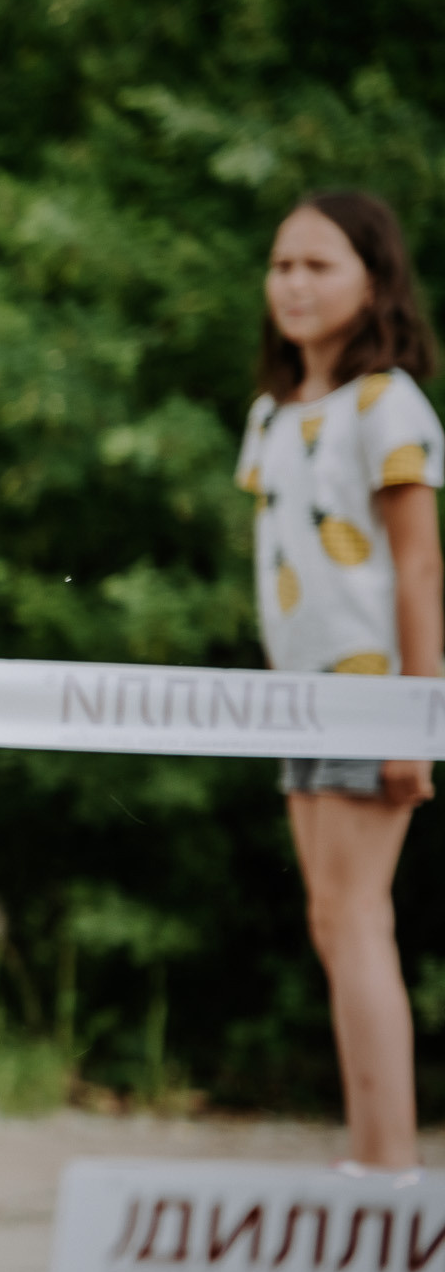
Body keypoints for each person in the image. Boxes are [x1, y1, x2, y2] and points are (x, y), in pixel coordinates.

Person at [235, 190, 441, 1172]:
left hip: (372, 693)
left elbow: (418, 566)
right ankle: (372, 1154)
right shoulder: (273, 412)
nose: (295, 283)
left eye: (319, 264)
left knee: (357, 916)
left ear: (374, 279)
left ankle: (388, 1168)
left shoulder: (387, 402)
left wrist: (416, 714)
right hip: (295, 700)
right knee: (331, 917)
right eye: (282, 264)